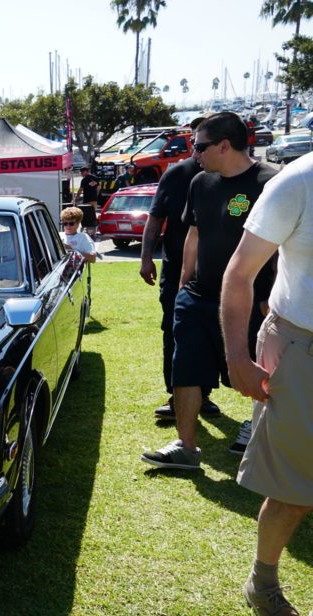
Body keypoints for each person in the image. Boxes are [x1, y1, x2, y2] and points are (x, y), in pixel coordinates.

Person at [141, 112, 278, 470]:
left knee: (258, 371)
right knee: (185, 368)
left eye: (199, 146)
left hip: (252, 302)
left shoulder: (270, 183)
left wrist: (272, 297)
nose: (194, 153)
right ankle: (186, 447)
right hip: (197, 298)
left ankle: (258, 432)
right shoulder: (200, 182)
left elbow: (285, 247)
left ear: (224, 146)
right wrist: (184, 284)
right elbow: (195, 232)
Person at [222, 153, 313, 616]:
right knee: (293, 487)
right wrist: (237, 357)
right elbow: (240, 273)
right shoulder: (298, 181)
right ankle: (264, 584)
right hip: (301, 347)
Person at [139, 115, 220, 422]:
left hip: (216, 273)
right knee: (174, 332)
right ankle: (177, 396)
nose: (198, 150)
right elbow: (155, 218)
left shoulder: (229, 177)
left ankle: (204, 394)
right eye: (196, 143)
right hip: (175, 271)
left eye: (203, 144)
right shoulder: (176, 174)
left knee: (212, 333)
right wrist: (146, 257)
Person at [74, 166, 101, 235]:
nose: (81, 173)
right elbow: (99, 187)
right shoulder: (95, 178)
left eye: (82, 172)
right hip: (94, 199)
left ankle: (88, 228)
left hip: (87, 199)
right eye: (81, 172)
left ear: (86, 171)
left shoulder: (84, 179)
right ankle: (94, 228)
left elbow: (80, 189)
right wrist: (96, 195)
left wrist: (76, 197)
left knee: (86, 214)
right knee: (93, 213)